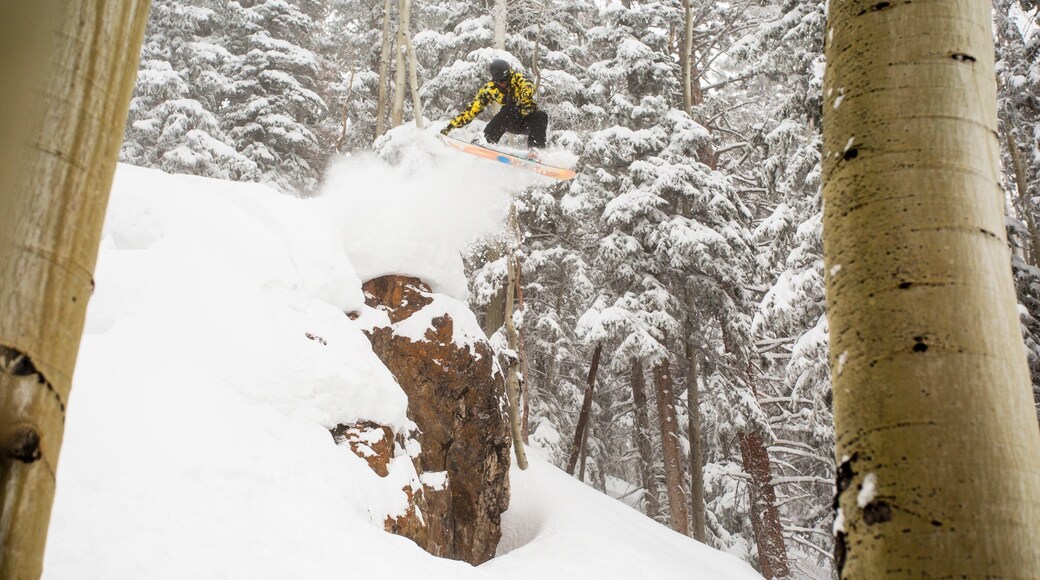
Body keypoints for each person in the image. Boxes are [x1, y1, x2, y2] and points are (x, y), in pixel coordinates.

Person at [441, 59, 548, 157]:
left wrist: (524, 97)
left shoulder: (517, 78)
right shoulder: (490, 89)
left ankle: (536, 151)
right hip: (511, 120)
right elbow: (472, 110)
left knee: (541, 115)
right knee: (509, 109)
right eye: (501, 81)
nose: (504, 83)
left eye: (506, 80)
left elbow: (528, 85)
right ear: (495, 79)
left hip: (528, 121)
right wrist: (450, 127)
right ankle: (486, 140)